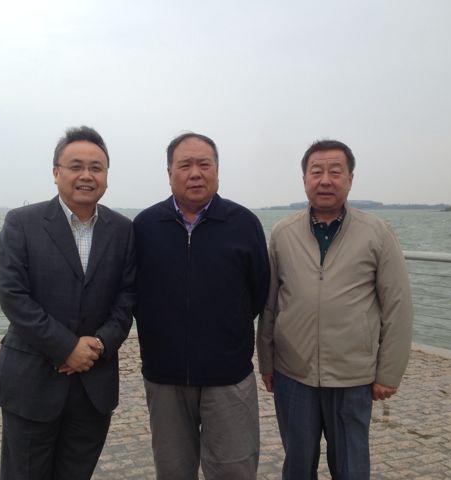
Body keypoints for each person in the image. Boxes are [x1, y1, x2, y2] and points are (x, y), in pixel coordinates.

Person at [0, 126, 135, 480]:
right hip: (31, 383)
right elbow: (13, 296)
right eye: (76, 166)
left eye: (96, 168)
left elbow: (127, 297)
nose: (87, 175)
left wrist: (99, 344)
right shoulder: (22, 222)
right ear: (56, 173)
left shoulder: (122, 229)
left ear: (106, 175)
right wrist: (67, 347)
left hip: (94, 384)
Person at [257, 139, 413, 479]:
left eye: (335, 171)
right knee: (298, 464)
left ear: (350, 179)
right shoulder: (283, 233)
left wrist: (388, 373)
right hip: (293, 373)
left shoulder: (377, 233)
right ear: (304, 179)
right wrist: (267, 361)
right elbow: (269, 304)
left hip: (352, 376)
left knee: (350, 466)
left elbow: (397, 306)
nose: (325, 180)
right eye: (316, 172)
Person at [133, 132, 270, 480]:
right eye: (185, 165)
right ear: (169, 173)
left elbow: (259, 292)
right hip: (164, 378)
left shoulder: (244, 224)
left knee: (234, 470)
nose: (195, 173)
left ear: (217, 171)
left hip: (228, 378)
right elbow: (133, 293)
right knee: (173, 471)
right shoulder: (145, 227)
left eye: (204, 164)